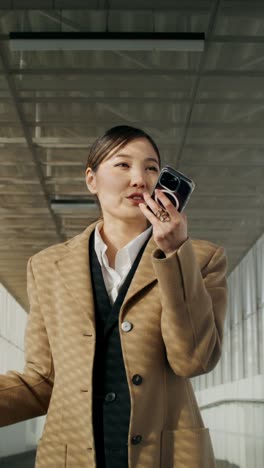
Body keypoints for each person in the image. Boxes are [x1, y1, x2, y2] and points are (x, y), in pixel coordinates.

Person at [0, 125, 227, 468]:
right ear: (91, 179)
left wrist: (174, 253)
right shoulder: (47, 267)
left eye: (151, 168)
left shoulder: (201, 258)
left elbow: (193, 360)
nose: (140, 179)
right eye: (123, 165)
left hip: (167, 458)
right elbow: (43, 380)